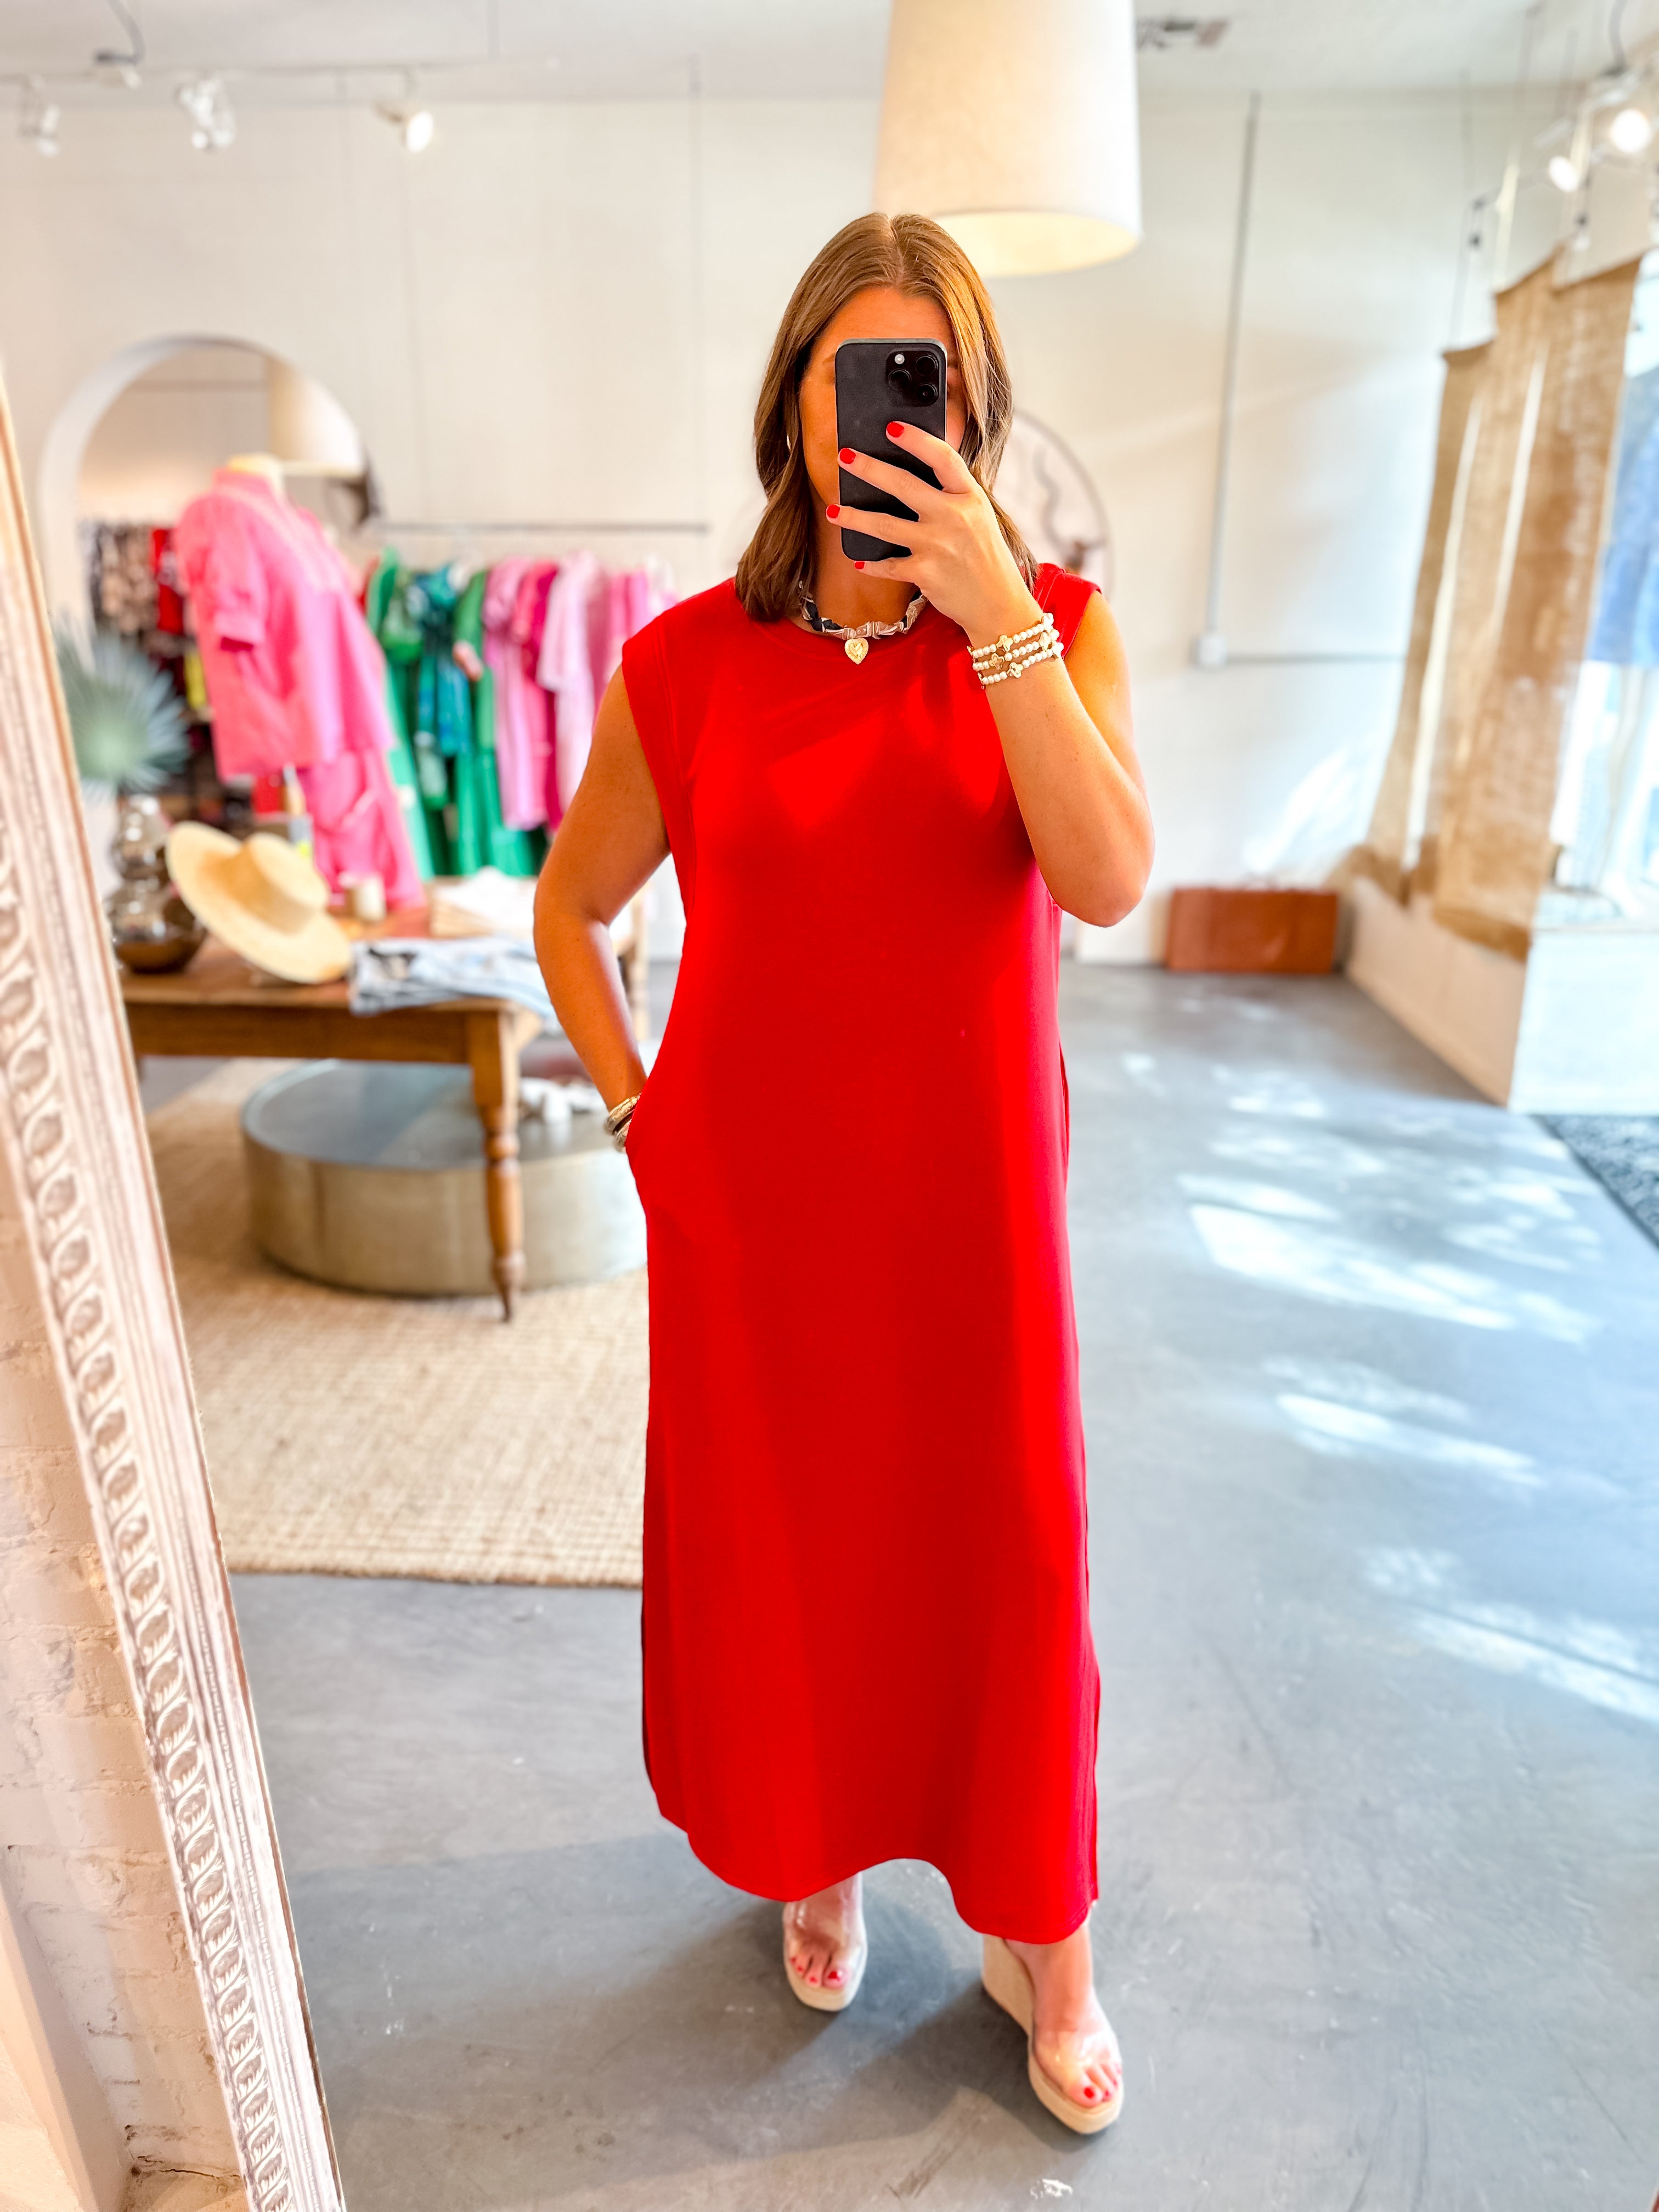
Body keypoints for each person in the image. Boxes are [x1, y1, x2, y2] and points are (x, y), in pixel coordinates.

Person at [533, 212, 1152, 2133]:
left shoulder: (1053, 627)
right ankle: (818, 1852)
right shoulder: (688, 667)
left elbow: (1107, 880)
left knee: (1007, 1558)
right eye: (857, 374)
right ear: (797, 405)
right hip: (761, 1221)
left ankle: (1046, 1936)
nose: (888, 415)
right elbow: (568, 913)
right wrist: (641, 1116)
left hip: (975, 1221)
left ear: (972, 413)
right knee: (800, 1563)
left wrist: (1000, 615)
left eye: (928, 382)